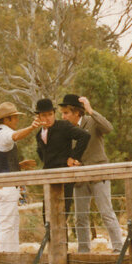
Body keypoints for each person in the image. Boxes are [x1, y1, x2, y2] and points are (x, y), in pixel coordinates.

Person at [59, 94, 123, 253]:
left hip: (99, 174)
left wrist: (90, 110)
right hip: (79, 178)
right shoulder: (65, 130)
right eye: (62, 113)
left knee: (106, 213)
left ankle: (118, 249)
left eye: (66, 112)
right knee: (80, 218)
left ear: (76, 113)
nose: (63, 116)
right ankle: (83, 251)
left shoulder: (92, 122)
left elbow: (109, 128)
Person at [34, 97, 89, 231]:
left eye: (50, 114)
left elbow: (85, 136)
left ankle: (61, 249)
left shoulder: (63, 126)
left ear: (54, 114)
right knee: (47, 216)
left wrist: (74, 158)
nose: (48, 118)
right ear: (38, 117)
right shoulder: (38, 135)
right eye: (44, 115)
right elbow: (42, 154)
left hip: (64, 176)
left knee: (61, 215)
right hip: (48, 178)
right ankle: (52, 248)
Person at [0, 102, 39, 252]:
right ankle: (2, 254)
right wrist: (32, 128)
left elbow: (1, 161)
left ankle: (10, 253)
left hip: (4, 183)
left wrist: (18, 165)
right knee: (6, 223)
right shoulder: (5, 134)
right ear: (7, 120)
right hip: (7, 185)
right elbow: (16, 136)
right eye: (15, 118)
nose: (17, 121)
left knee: (11, 222)